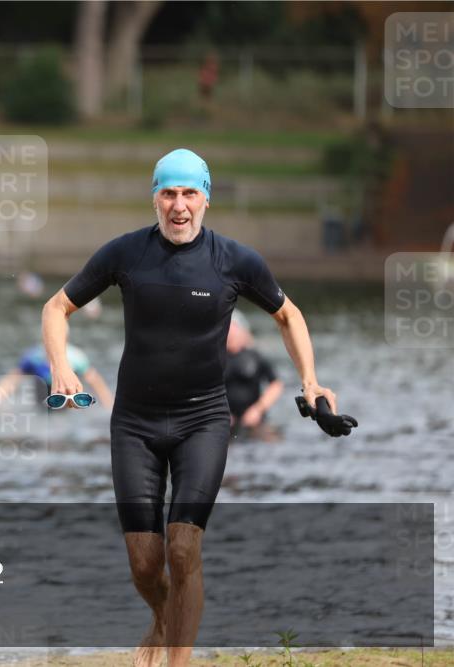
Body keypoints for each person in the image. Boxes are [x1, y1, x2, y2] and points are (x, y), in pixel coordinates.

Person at [41, 148, 349, 667]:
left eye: (189, 194)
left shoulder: (235, 261)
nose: (178, 205)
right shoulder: (125, 254)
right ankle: (163, 617)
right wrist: (60, 367)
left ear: (206, 199)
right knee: (144, 564)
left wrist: (310, 380)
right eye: (168, 193)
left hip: (203, 420)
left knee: (183, 548)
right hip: (134, 424)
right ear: (154, 198)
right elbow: (56, 308)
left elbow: (288, 315)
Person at [0, 343, 113, 411]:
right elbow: (12, 379)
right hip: (42, 399)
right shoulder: (34, 357)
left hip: (64, 403)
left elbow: (95, 381)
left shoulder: (76, 357)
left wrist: (109, 405)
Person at [224, 310, 283, 441]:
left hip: (254, 419)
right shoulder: (215, 359)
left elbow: (276, 385)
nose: (231, 334)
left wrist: (258, 410)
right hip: (224, 419)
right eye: (227, 329)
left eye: (234, 329)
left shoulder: (255, 357)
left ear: (243, 332)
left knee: (273, 439)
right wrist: (220, 413)